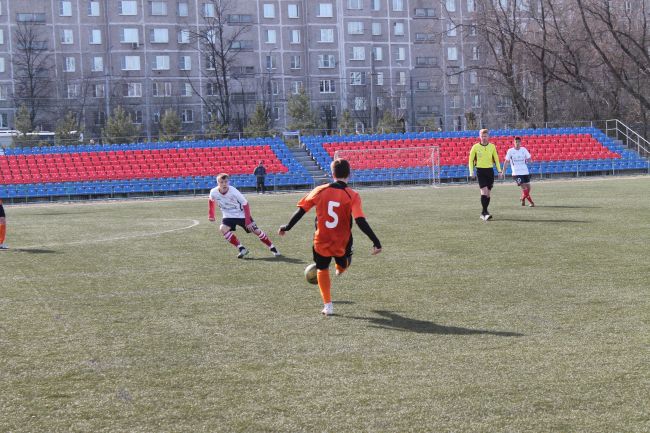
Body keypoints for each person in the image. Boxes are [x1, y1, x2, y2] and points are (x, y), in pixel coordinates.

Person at [278, 159, 382, 316]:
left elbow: (301, 210)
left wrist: (287, 227)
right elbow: (360, 220)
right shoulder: (352, 195)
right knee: (344, 263)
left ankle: (328, 306)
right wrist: (376, 241)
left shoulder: (319, 190)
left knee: (322, 268)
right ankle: (340, 268)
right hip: (343, 241)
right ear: (349, 174)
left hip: (322, 239)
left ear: (332, 174)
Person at [208, 173, 280, 258]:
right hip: (228, 216)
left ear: (228, 182)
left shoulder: (234, 191)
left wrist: (248, 221)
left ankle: (272, 247)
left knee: (256, 231)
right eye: (221, 182)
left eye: (226, 182)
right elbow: (211, 200)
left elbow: (245, 204)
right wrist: (211, 214)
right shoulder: (213, 192)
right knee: (222, 228)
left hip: (241, 215)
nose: (224, 184)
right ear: (218, 183)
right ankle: (241, 249)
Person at [469, 128, 504, 221]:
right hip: (480, 171)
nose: (484, 138)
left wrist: (499, 171)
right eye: (482, 136)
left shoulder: (492, 146)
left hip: (490, 171)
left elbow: (496, 159)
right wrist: (471, 171)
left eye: (485, 136)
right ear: (479, 137)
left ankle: (484, 212)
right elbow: (470, 160)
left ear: (488, 136)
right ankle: (484, 213)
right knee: (484, 191)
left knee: (488, 194)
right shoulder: (475, 147)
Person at [503, 136, 535, 207]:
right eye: (516, 142)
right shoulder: (510, 151)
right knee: (524, 188)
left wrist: (531, 161)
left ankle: (522, 198)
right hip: (516, 173)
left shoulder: (524, 149)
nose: (517, 143)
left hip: (525, 172)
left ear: (521, 142)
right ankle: (531, 202)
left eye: (519, 142)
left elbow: (529, 158)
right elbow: (506, 161)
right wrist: (503, 171)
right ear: (514, 143)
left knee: (528, 188)